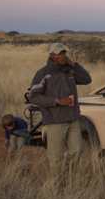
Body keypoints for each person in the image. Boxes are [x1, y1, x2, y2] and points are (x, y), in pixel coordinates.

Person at [28, 43, 92, 187]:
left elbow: (87, 80)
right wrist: (57, 101)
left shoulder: (70, 71)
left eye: (64, 53)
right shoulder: (43, 73)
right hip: (54, 122)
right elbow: (33, 97)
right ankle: (57, 185)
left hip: (72, 120)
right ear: (51, 55)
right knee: (56, 157)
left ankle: (69, 182)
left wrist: (74, 65)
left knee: (76, 151)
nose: (62, 56)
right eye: (59, 53)